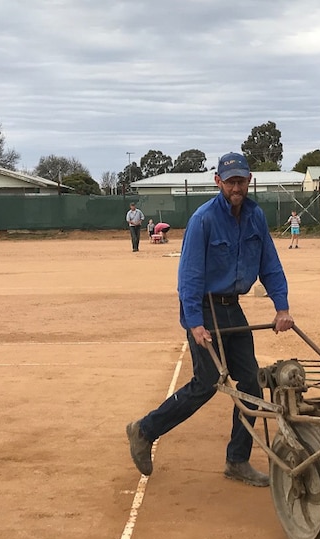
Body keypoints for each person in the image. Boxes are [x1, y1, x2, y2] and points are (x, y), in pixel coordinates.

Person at [126, 152, 294, 487]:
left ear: (249, 181)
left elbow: (270, 264)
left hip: (232, 306)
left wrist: (282, 307)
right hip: (203, 309)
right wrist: (194, 322)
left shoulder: (255, 216)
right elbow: (188, 275)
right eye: (230, 181)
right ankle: (144, 430)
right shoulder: (204, 219)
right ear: (218, 181)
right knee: (207, 382)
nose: (236, 187)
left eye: (241, 181)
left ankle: (237, 461)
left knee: (251, 384)